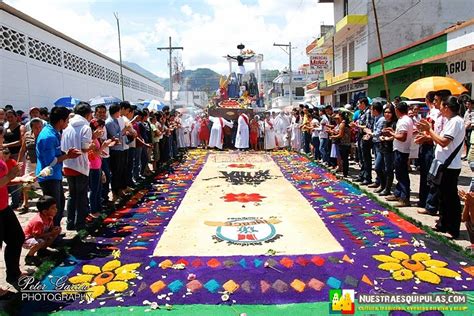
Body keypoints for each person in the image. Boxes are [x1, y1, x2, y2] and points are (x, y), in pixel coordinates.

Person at [417, 96, 465, 239]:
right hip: (443, 164)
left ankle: (453, 228)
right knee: (442, 197)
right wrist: (427, 135)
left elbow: (444, 142)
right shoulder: (451, 121)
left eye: (442, 106)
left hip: (450, 166)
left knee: (450, 198)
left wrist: (429, 130)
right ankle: (443, 224)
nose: (439, 108)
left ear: (447, 107)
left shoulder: (456, 122)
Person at [36, 107, 81, 227]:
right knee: (53, 208)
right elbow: (50, 162)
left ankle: (55, 230)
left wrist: (65, 154)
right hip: (48, 177)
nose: (67, 123)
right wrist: (68, 156)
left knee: (59, 203)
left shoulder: (54, 132)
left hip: (55, 175)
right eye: (67, 120)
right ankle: (51, 233)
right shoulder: (48, 136)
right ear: (61, 121)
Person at [0, 125, 30, 289]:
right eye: (0, 137)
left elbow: (4, 180)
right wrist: (12, 175)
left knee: (16, 237)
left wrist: (20, 179)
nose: (3, 141)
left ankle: (13, 273)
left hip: (3, 206)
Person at [61, 103, 93, 231]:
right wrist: (91, 146)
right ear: (87, 114)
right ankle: (80, 223)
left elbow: (63, 147)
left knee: (72, 195)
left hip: (68, 165)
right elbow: (85, 147)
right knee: (81, 195)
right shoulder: (86, 127)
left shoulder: (67, 127)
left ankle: (70, 223)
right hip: (80, 166)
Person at [384, 101, 413, 207]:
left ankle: (404, 198)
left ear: (397, 110)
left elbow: (402, 137)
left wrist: (392, 133)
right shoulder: (404, 120)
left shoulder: (404, 121)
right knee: (399, 173)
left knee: (402, 175)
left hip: (401, 150)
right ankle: (398, 193)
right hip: (400, 149)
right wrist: (393, 131)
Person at [22, 195, 61, 266]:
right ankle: (29, 257)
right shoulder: (39, 221)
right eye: (53, 208)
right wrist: (51, 233)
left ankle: (42, 251)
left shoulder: (50, 217)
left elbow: (50, 228)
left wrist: (54, 230)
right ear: (45, 212)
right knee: (40, 242)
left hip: (41, 235)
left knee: (54, 234)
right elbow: (36, 235)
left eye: (55, 207)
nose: (56, 209)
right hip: (28, 239)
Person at [88, 119, 113, 220]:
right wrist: (104, 146)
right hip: (92, 166)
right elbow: (94, 153)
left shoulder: (96, 139)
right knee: (94, 189)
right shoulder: (91, 139)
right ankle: (94, 210)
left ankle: (99, 208)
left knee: (98, 188)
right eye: (100, 128)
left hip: (98, 165)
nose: (102, 130)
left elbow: (98, 153)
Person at [17, 117, 43, 211]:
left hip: (41, 163)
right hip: (30, 162)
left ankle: (44, 203)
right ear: (32, 127)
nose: (38, 129)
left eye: (40, 127)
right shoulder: (27, 135)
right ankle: (26, 203)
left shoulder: (44, 135)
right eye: (36, 127)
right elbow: (23, 149)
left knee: (42, 184)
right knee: (26, 183)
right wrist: (19, 162)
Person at [351, 97, 373, 185]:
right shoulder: (361, 112)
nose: (358, 105)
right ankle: (362, 175)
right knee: (361, 157)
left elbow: (368, 126)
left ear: (363, 103)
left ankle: (367, 177)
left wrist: (357, 126)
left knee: (366, 157)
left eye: (359, 103)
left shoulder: (368, 112)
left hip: (365, 136)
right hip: (360, 135)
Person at [378, 105, 397, 196]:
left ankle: (387, 188)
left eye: (389, 112)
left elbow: (396, 136)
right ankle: (382, 185)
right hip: (382, 147)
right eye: (385, 112)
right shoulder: (384, 122)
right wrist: (381, 137)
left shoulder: (395, 123)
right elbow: (381, 133)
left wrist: (388, 138)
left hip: (390, 149)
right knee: (378, 167)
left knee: (388, 169)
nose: (387, 114)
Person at [365, 102, 384, 190]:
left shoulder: (382, 120)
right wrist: (369, 134)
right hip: (375, 143)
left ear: (375, 110)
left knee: (378, 165)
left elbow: (377, 133)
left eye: (372, 109)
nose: (370, 111)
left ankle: (382, 184)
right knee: (378, 164)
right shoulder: (376, 118)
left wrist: (370, 133)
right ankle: (378, 181)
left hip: (381, 144)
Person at [329, 112, 351, 177]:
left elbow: (340, 135)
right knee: (345, 158)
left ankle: (345, 173)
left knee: (343, 159)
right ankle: (345, 172)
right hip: (347, 143)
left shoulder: (342, 124)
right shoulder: (346, 123)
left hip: (343, 143)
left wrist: (332, 137)